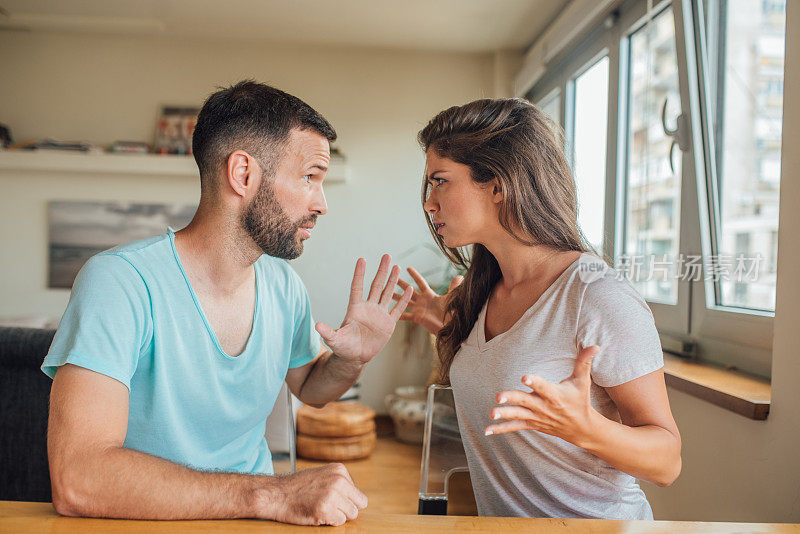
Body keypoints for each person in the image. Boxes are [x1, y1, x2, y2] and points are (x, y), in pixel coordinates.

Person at [42, 81, 413, 526]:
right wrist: (272, 495)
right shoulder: (119, 283)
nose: (322, 203)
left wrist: (350, 362)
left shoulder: (285, 287)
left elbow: (312, 388)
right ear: (243, 174)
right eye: (310, 177)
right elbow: (78, 478)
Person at [394, 98, 681, 519]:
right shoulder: (484, 290)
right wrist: (452, 330)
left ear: (497, 184)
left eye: (440, 181)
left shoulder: (596, 294)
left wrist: (586, 428)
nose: (428, 202)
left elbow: (667, 460)